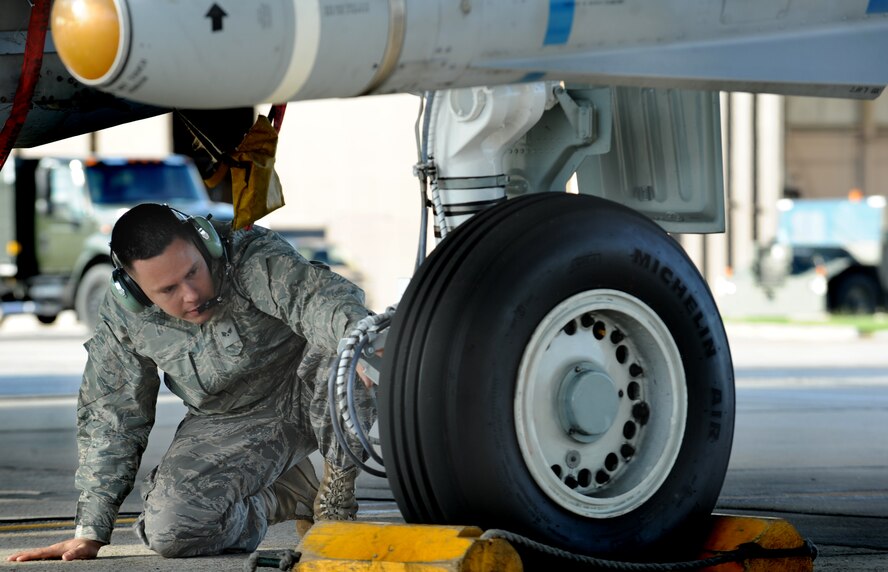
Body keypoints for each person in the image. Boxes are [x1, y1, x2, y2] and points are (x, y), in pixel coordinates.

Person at [7, 203, 376, 561]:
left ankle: (336, 499)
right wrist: (90, 529)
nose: (191, 294)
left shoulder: (249, 255)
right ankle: (280, 496)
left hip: (308, 388)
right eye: (167, 290)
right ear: (134, 292)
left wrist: (351, 329)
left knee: (352, 341)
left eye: (193, 272)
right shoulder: (126, 319)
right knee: (171, 530)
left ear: (205, 244)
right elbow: (111, 417)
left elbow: (315, 298)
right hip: (230, 419)